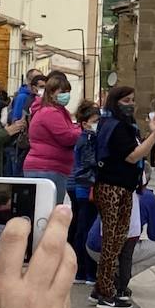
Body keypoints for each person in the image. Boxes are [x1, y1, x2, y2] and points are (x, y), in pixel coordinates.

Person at [93, 84, 155, 308]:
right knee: (112, 241)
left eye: (133, 100)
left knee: (117, 241)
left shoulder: (123, 126)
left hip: (123, 187)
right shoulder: (115, 127)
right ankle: (106, 292)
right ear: (115, 103)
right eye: (126, 101)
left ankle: (102, 287)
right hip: (113, 188)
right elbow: (133, 155)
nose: (131, 105)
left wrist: (151, 132)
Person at [24, 73, 81, 203]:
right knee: (49, 212)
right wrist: (82, 130)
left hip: (50, 167)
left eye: (68, 92)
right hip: (47, 168)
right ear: (50, 93)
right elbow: (67, 137)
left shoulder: (55, 111)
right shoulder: (50, 112)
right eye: (62, 92)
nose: (66, 95)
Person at [68, 101, 101, 286]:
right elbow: (90, 163)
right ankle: (86, 271)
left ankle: (82, 271)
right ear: (85, 123)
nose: (98, 124)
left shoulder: (85, 137)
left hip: (81, 187)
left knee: (82, 228)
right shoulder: (88, 139)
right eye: (95, 120)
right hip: (86, 188)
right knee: (86, 229)